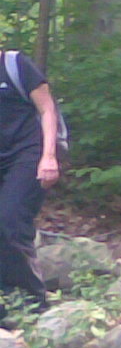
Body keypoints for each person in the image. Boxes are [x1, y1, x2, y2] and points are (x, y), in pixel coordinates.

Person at [0, 49, 60, 314]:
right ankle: (5, 306)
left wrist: (49, 157)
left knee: (10, 220)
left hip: (28, 152)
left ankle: (33, 304)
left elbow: (47, 110)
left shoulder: (16, 65)